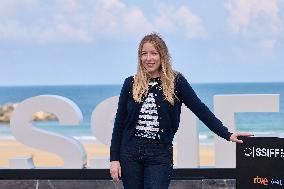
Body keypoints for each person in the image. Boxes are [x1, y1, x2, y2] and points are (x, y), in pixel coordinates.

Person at [109, 32, 253, 189]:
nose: (148, 58)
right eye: (144, 54)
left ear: (162, 55)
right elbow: (119, 124)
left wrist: (227, 134)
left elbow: (200, 109)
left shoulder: (175, 81)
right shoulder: (130, 83)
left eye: (153, 53)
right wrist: (114, 159)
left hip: (159, 154)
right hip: (130, 153)